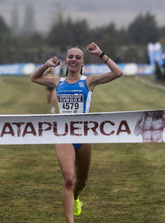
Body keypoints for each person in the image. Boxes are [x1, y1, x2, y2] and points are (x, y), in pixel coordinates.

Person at [30, 42, 123, 223]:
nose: (73, 59)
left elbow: (117, 72)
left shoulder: (88, 81)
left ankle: (76, 197)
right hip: (63, 135)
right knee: (68, 180)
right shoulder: (58, 82)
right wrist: (47, 64)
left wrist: (101, 54)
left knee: (81, 183)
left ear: (82, 63)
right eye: (70, 57)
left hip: (84, 135)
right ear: (65, 61)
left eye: (78, 57)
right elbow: (33, 78)